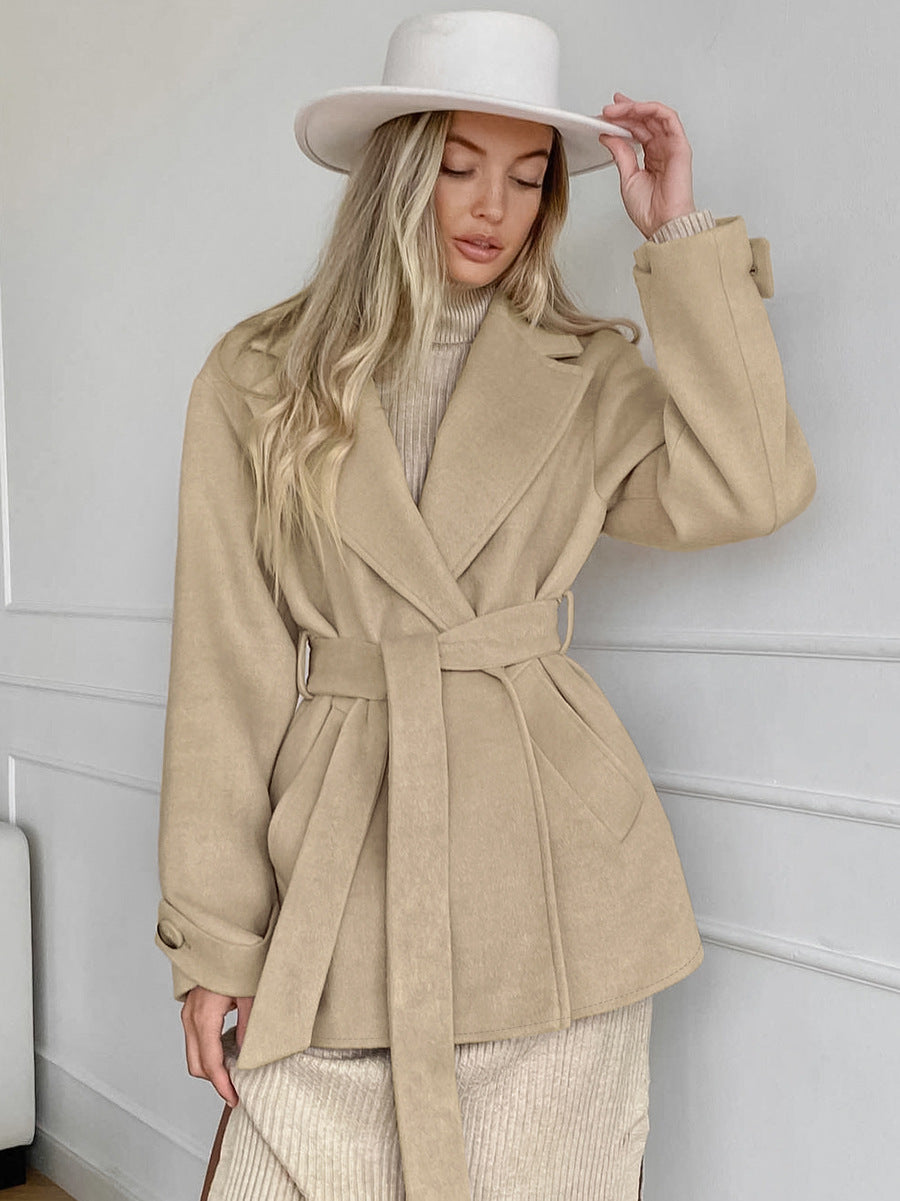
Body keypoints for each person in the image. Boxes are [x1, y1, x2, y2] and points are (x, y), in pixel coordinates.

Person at [154, 10, 816, 1201]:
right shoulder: (256, 378)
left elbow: (751, 485)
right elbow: (226, 673)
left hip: (553, 881)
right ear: (397, 170)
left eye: (526, 176)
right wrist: (213, 944)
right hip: (341, 868)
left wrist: (678, 234)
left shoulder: (582, 369)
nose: (491, 207)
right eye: (458, 166)